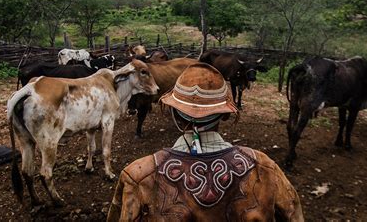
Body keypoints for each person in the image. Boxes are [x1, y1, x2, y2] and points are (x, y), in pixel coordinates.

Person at [107, 63, 304, 221]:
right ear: (225, 116)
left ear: (174, 113)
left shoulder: (139, 174)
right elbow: (293, 213)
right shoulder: (264, 167)